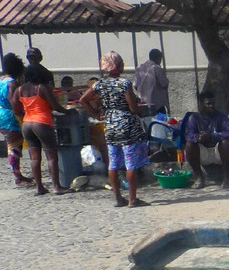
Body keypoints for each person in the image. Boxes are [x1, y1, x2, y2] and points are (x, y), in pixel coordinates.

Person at [79, 51, 150, 207]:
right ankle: (132, 199)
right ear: (118, 66)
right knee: (131, 163)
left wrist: (97, 115)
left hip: (110, 125)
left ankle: (118, 198)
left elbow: (82, 100)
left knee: (113, 163)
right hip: (127, 125)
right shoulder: (124, 83)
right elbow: (132, 107)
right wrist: (138, 110)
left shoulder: (99, 84)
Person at [14, 62, 73, 195]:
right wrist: (68, 112)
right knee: (51, 156)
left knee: (34, 158)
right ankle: (57, 186)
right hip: (42, 122)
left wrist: (26, 114)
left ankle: (39, 187)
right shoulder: (41, 88)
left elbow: (15, 108)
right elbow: (55, 106)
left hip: (27, 123)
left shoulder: (19, 90)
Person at [185, 92, 229, 189]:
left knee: (226, 142)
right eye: (208, 104)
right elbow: (189, 135)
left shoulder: (221, 116)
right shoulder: (194, 118)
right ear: (201, 104)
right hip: (203, 153)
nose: (212, 106)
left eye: (213, 103)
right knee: (189, 145)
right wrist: (198, 138)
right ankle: (200, 178)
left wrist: (212, 136)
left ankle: (227, 178)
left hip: (219, 151)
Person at [1, 53, 32, 187]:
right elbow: (13, 102)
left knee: (13, 144)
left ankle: (18, 173)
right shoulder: (13, 83)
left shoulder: (2, 80)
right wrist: (21, 114)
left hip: (2, 114)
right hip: (10, 117)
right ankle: (17, 176)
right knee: (14, 146)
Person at [134, 48, 170, 115]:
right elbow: (164, 84)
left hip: (143, 103)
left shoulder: (139, 69)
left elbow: (135, 86)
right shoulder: (157, 69)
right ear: (158, 58)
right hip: (157, 104)